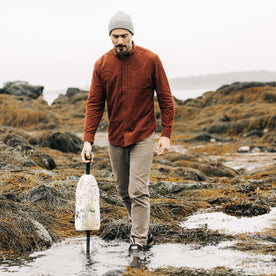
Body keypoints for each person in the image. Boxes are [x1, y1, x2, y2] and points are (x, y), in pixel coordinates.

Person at [81, 11, 174, 256]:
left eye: (124, 35)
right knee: (123, 191)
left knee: (137, 190)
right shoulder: (101, 65)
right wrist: (88, 141)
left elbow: (165, 98)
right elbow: (94, 104)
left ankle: (138, 240)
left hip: (143, 134)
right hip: (115, 137)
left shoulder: (151, 59)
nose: (120, 40)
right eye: (115, 36)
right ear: (109, 36)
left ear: (132, 34)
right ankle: (144, 231)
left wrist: (166, 134)